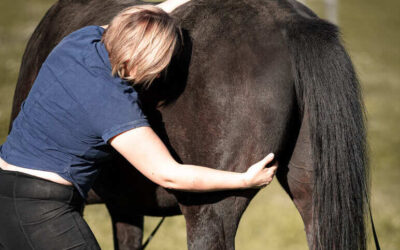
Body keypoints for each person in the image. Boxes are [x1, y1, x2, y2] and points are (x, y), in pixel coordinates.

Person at [0, 1, 278, 249]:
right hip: (42, 211)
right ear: (143, 61)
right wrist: (243, 179)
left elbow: (142, 20)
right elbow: (169, 174)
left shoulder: (81, 40)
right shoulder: (112, 102)